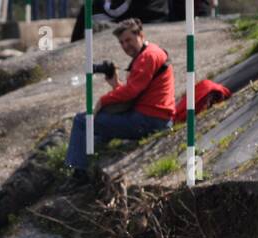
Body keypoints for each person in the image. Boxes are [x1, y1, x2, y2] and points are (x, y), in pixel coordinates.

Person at [64, 19, 175, 180]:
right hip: (152, 117)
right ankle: (89, 163)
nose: (125, 46)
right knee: (99, 126)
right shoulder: (149, 53)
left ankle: (78, 174)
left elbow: (131, 92)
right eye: (122, 42)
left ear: (141, 35)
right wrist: (116, 84)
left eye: (129, 40)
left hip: (150, 121)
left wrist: (103, 100)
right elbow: (136, 94)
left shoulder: (148, 56)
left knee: (82, 121)